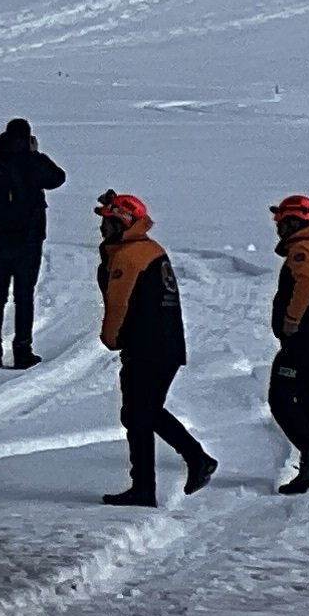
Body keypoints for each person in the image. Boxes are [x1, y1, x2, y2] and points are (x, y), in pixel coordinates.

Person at [97, 192, 216, 505]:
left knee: (139, 414)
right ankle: (159, 479)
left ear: (118, 223)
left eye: (106, 222)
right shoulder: (148, 250)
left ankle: (186, 464)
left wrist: (110, 338)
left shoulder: (129, 256)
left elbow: (117, 304)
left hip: (146, 347)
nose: (101, 228)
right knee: (142, 413)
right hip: (165, 346)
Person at [0, 120, 64, 369]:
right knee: (24, 297)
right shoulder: (31, 161)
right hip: (28, 240)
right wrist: (37, 154)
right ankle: (22, 350)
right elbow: (57, 178)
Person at [268, 196, 309, 497]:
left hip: (305, 342)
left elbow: (308, 284)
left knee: (280, 398)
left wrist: (292, 319)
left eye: (281, 222)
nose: (278, 228)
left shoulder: (302, 252)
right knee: (308, 401)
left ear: (293, 223)